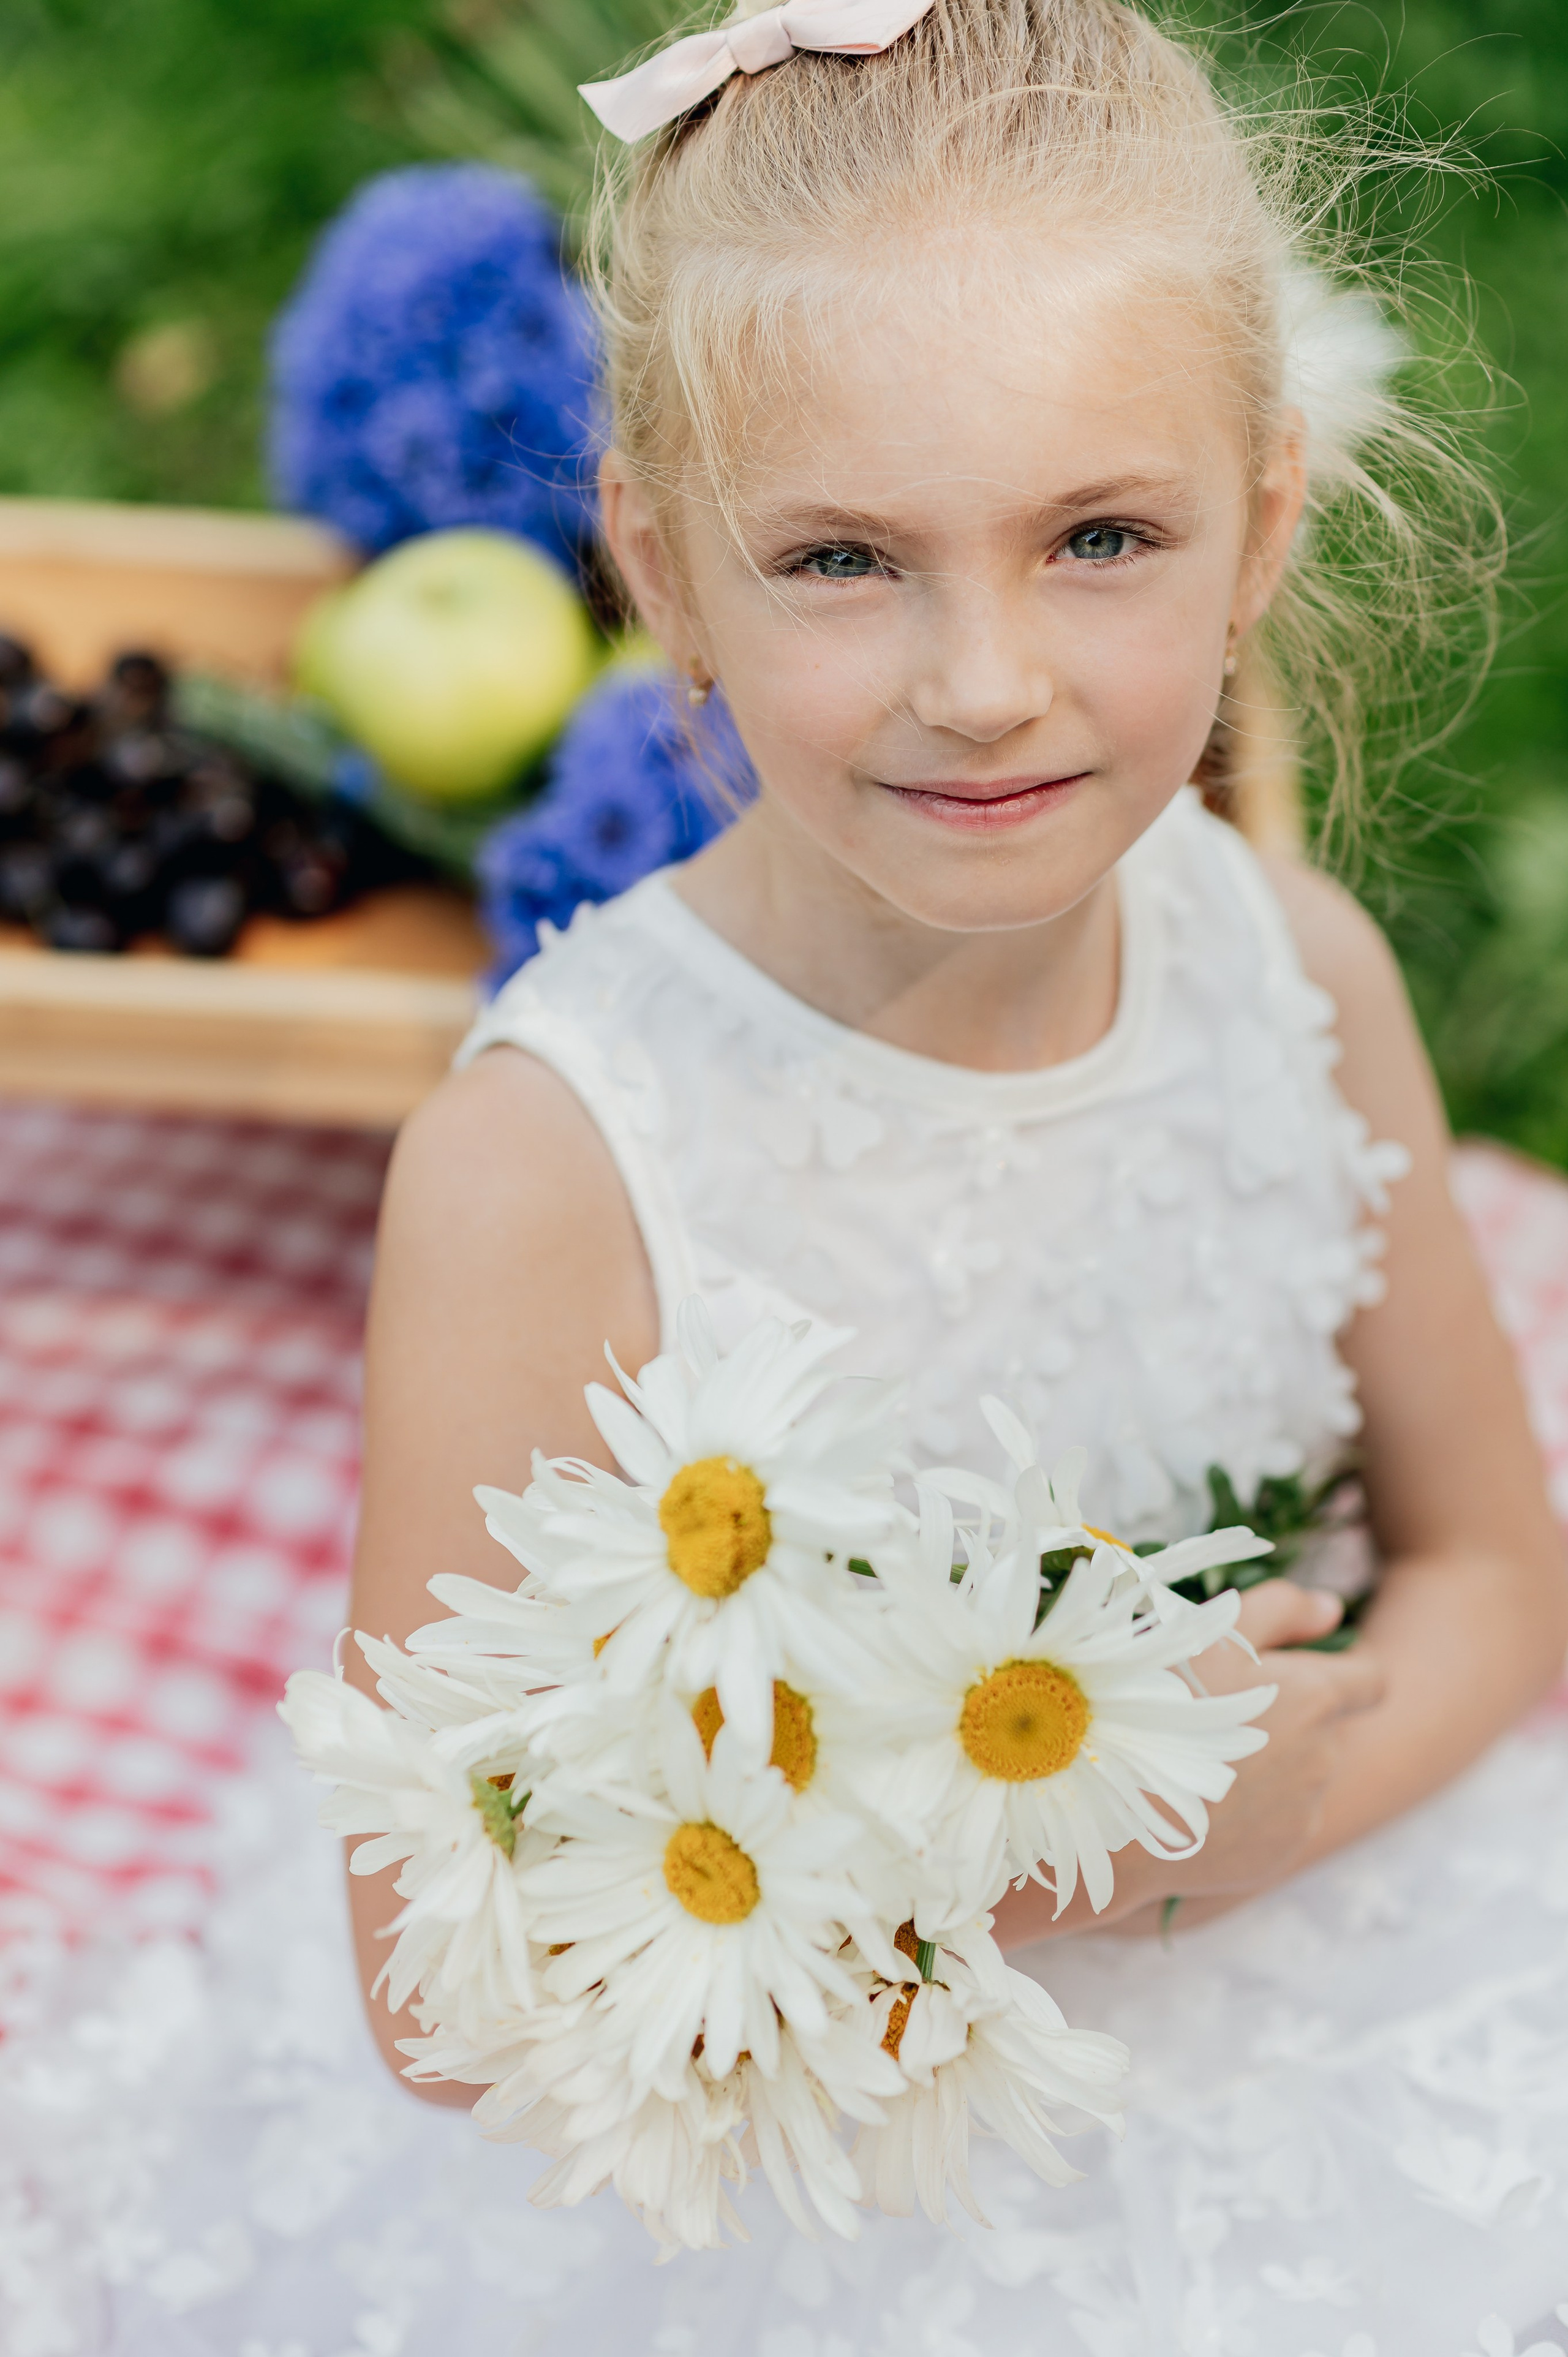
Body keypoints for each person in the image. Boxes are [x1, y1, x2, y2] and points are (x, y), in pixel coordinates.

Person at [17, 4, 1568, 2352]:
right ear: (659, 564)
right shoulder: (558, 1161)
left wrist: (1264, 1837)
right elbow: (458, 1999)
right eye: (844, 557)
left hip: (1321, 1919)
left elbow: (1489, 1576)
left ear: (1263, 524)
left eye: (1102, 539)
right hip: (779, 2124)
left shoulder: (1295, 970)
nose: (984, 679)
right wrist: (1075, 1870)